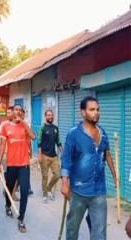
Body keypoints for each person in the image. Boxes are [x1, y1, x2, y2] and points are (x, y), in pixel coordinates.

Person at [61, 96, 117, 240]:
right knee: (72, 229)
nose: (96, 112)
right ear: (83, 112)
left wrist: (115, 175)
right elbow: (66, 158)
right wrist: (64, 183)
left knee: (99, 233)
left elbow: (108, 154)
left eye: (98, 109)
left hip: (99, 190)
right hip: (78, 191)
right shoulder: (73, 133)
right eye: (92, 109)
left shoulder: (103, 133)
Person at [0, 104, 36, 233]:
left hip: (24, 164)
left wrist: (23, 123)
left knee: (24, 191)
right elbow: (2, 146)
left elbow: (33, 137)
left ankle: (21, 219)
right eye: (16, 110)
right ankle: (8, 205)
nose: (18, 112)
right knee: (9, 187)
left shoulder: (24, 125)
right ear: (12, 112)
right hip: (11, 164)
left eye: (20, 110)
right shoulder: (5, 126)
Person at [38, 110, 63, 203]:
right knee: (45, 176)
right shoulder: (42, 128)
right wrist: (39, 155)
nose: (50, 116)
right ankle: (45, 194)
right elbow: (39, 141)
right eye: (48, 115)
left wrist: (63, 151)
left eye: (51, 115)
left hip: (54, 156)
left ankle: (48, 188)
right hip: (44, 155)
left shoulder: (56, 128)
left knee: (58, 174)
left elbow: (58, 141)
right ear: (45, 116)